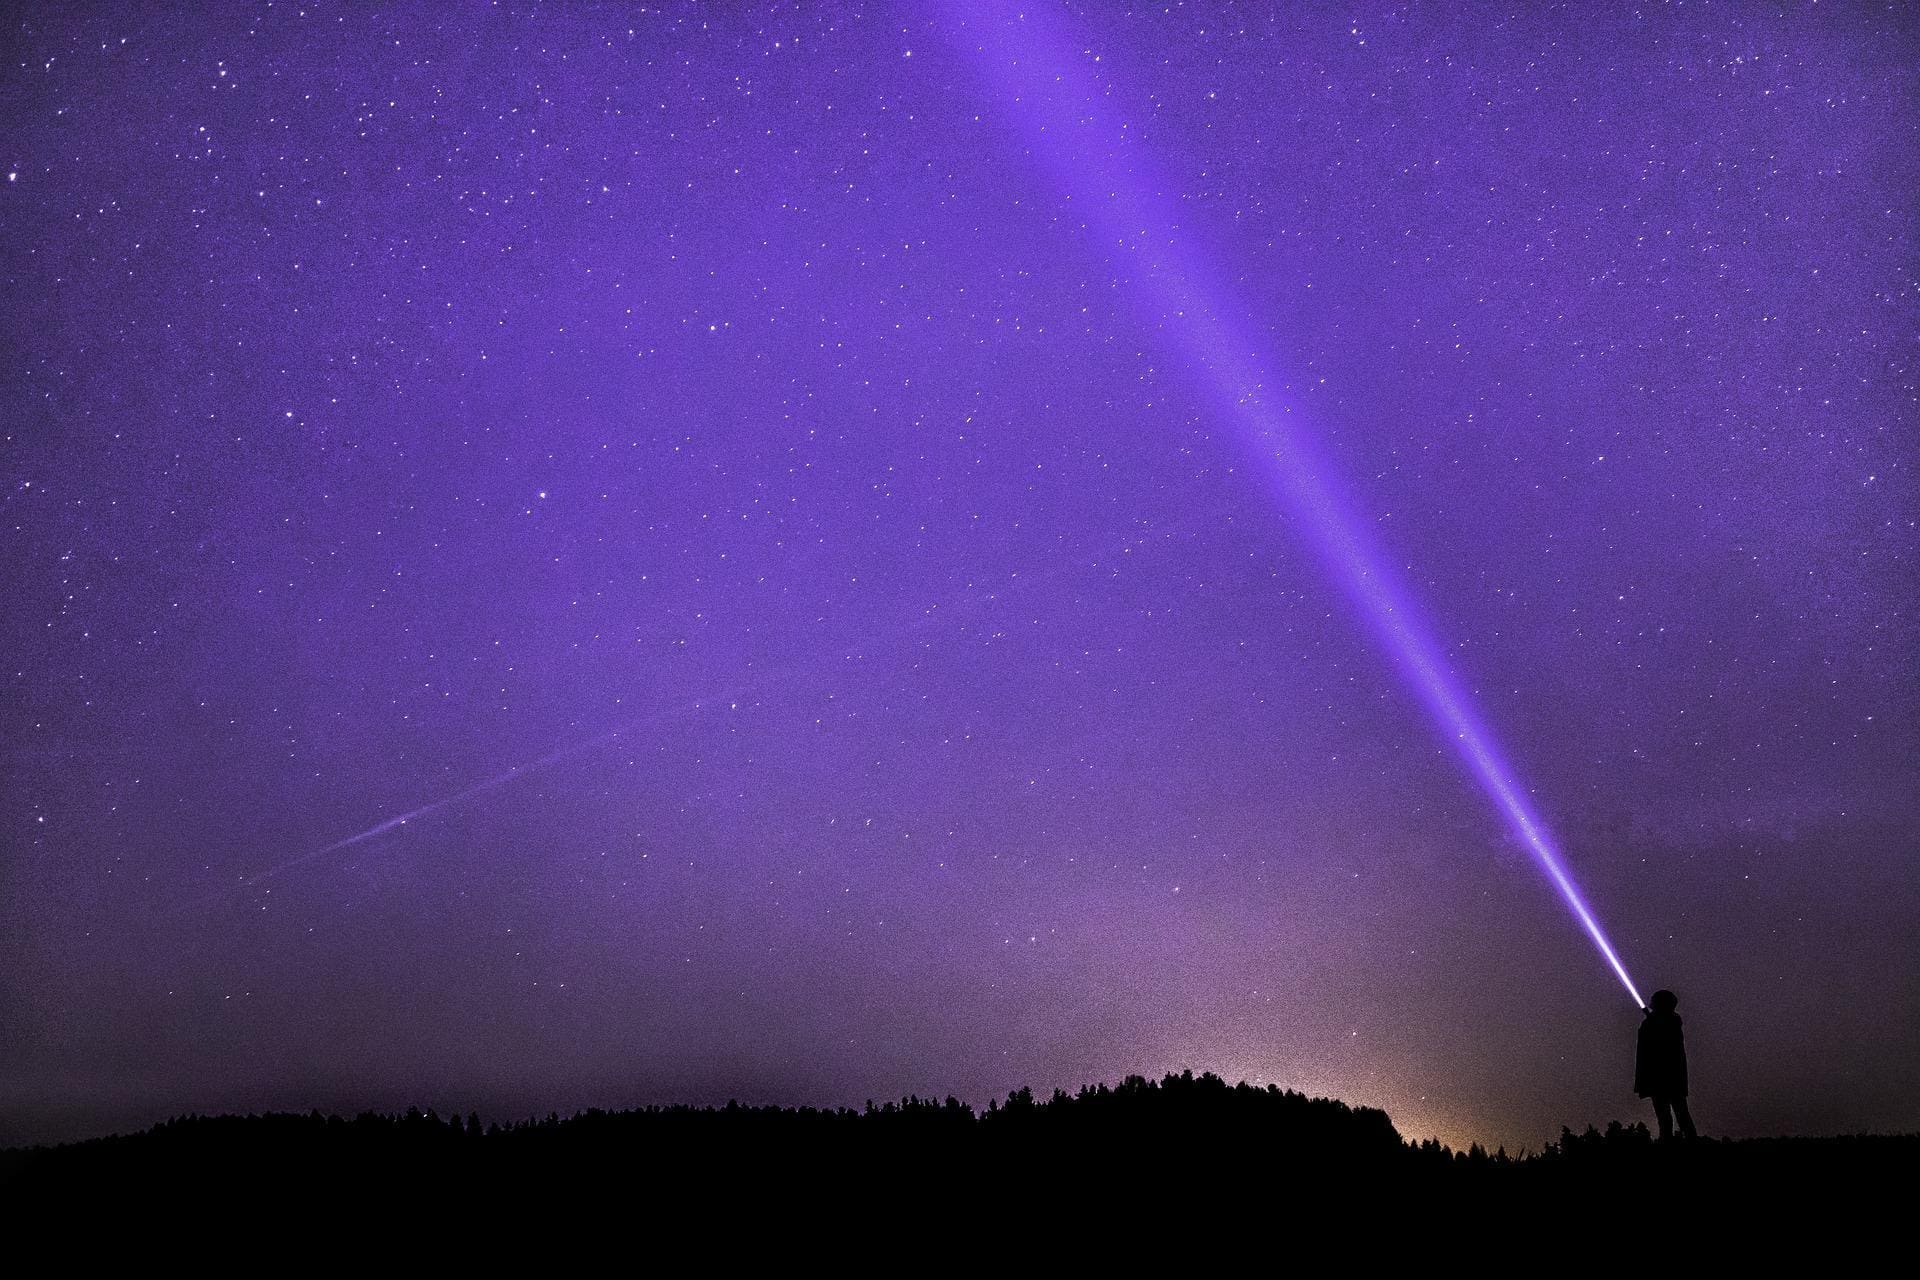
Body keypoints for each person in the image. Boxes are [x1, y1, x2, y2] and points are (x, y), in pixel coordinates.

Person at [1634, 989, 1698, 1140]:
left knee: (1675, 1116)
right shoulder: (1668, 1021)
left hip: (1664, 1076)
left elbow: (1661, 1039)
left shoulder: (1670, 1022)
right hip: (1666, 1077)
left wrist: (1651, 1019)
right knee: (1671, 1116)